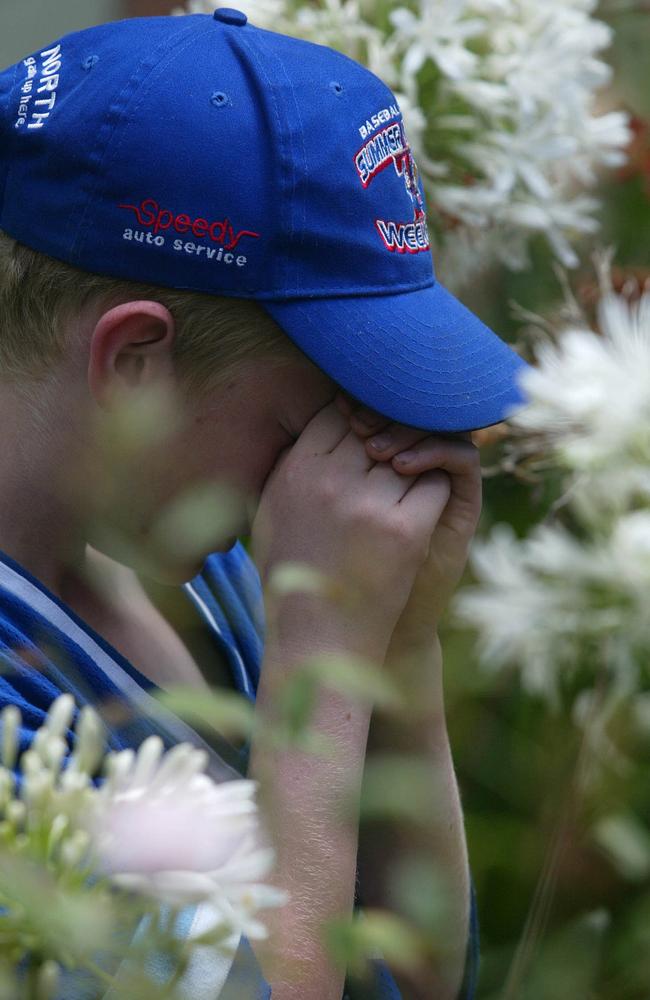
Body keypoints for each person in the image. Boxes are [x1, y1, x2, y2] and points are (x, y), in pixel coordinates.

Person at [0, 8, 530, 999]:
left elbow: (412, 980)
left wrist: (398, 648)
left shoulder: (217, 572)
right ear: (136, 366)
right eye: (309, 427)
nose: (355, 476)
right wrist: (324, 667)